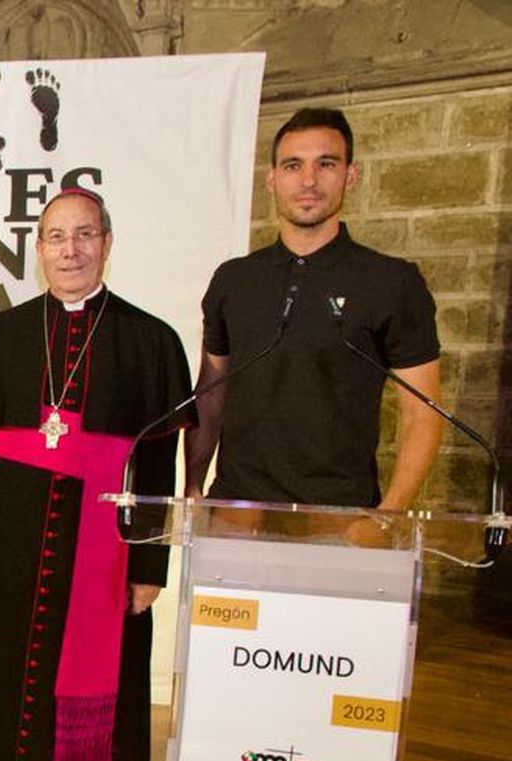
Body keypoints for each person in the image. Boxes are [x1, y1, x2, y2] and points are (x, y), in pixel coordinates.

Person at [0, 188, 194, 761]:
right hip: (6, 538)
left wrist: (148, 563)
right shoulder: (1, 335)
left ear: (107, 242)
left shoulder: (151, 340)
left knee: (98, 673)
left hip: (104, 547)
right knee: (1, 670)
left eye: (84, 234)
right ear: (39, 248)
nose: (70, 250)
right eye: (55, 236)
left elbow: (159, 461)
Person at [187, 107, 443, 512]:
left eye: (326, 164)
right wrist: (193, 486)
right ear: (272, 180)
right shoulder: (234, 280)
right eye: (293, 165)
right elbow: (211, 393)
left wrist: (389, 516)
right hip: (235, 512)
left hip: (339, 515)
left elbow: (423, 413)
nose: (308, 180)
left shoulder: (392, 282)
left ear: (350, 175)